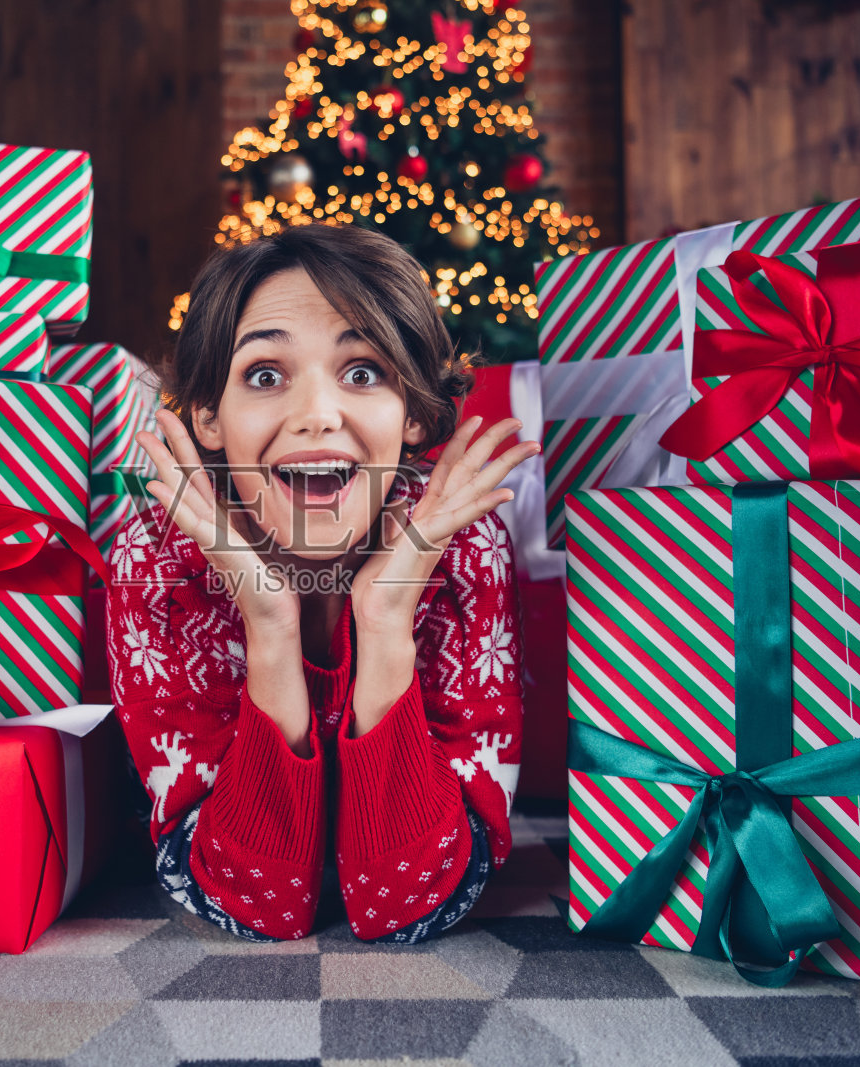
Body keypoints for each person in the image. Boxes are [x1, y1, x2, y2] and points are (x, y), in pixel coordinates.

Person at [107, 224, 538, 943]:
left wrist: (386, 619)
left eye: (362, 372)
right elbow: (256, 902)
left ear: (414, 414)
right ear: (209, 415)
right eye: (265, 375)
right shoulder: (159, 562)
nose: (315, 414)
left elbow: (409, 901)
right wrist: (270, 627)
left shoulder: (462, 546)